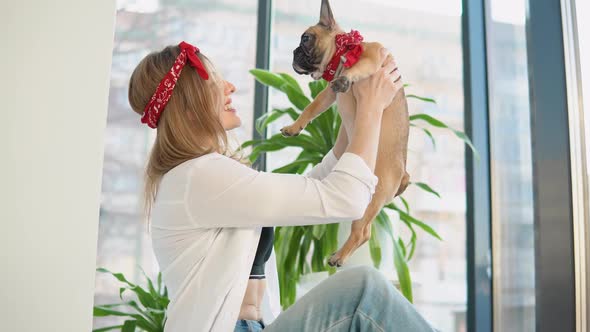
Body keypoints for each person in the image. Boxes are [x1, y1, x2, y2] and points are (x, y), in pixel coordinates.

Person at [128, 41, 438, 332]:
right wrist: (371, 108)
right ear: (190, 106)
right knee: (363, 292)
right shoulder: (196, 177)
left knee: (364, 290)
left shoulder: (199, 176)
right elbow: (347, 198)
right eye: (214, 83)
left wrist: (354, 105)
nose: (230, 87)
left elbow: (316, 187)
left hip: (254, 326)